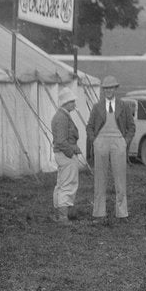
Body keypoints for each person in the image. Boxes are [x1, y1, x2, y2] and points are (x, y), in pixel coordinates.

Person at [86, 76, 135, 221]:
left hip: (118, 142)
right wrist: (94, 141)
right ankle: (99, 213)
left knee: (120, 179)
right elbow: (89, 127)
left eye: (111, 88)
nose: (108, 90)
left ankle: (122, 213)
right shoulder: (97, 107)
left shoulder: (124, 106)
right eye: (106, 88)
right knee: (100, 179)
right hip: (101, 142)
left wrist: (125, 141)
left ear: (115, 89)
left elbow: (131, 127)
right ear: (103, 90)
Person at [50, 87, 81, 222]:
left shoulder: (61, 115)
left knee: (61, 184)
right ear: (66, 103)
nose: (74, 104)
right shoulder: (62, 117)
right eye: (72, 101)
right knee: (68, 184)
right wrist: (71, 153)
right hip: (65, 154)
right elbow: (61, 140)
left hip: (61, 154)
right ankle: (63, 217)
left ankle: (59, 213)